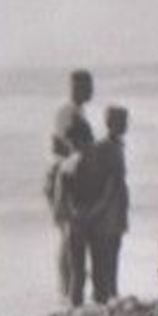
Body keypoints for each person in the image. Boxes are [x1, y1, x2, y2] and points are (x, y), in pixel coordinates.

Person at [48, 69, 95, 301]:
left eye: (89, 86)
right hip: (65, 175)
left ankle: (68, 289)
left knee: (70, 237)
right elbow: (57, 145)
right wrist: (79, 156)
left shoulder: (78, 111)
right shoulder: (68, 112)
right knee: (68, 236)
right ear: (74, 88)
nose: (90, 91)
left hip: (68, 172)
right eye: (85, 87)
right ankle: (66, 289)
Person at [83, 105, 130, 303]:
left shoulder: (114, 146)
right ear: (110, 123)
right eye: (121, 121)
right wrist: (95, 211)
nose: (125, 125)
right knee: (103, 260)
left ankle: (109, 295)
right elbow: (104, 183)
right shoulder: (103, 148)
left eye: (125, 121)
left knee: (110, 258)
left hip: (114, 212)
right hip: (106, 214)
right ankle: (104, 297)